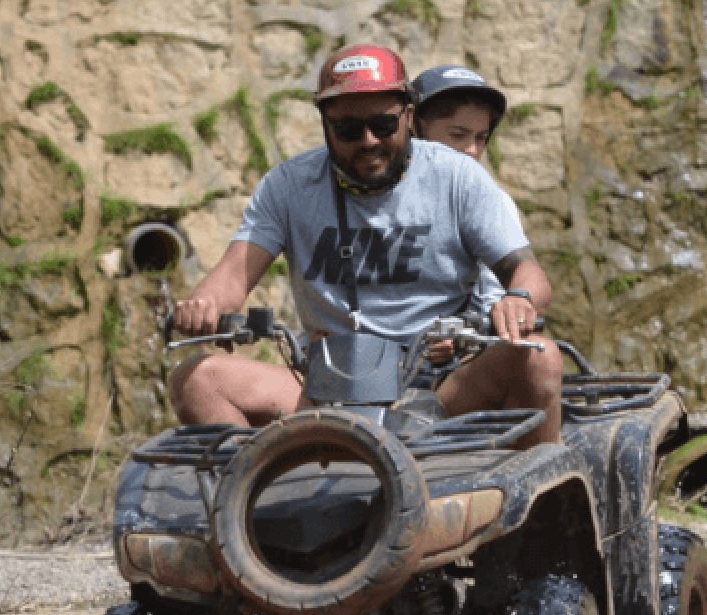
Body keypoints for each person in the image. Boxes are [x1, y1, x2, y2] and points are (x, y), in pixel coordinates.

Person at [170, 43, 562, 446]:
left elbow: (529, 273)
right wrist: (206, 306)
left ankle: (546, 501)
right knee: (198, 381)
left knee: (539, 356)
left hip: (440, 389)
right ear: (324, 123)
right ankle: (265, 490)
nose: (369, 141)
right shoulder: (287, 186)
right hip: (325, 389)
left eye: (384, 125)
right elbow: (232, 276)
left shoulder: (459, 177)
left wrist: (518, 298)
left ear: (409, 117)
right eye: (349, 130)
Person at [410, 64, 519, 322]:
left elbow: (495, 298)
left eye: (481, 138)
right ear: (414, 125)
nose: (472, 149)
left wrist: (463, 336)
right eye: (458, 135)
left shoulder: (492, 201)